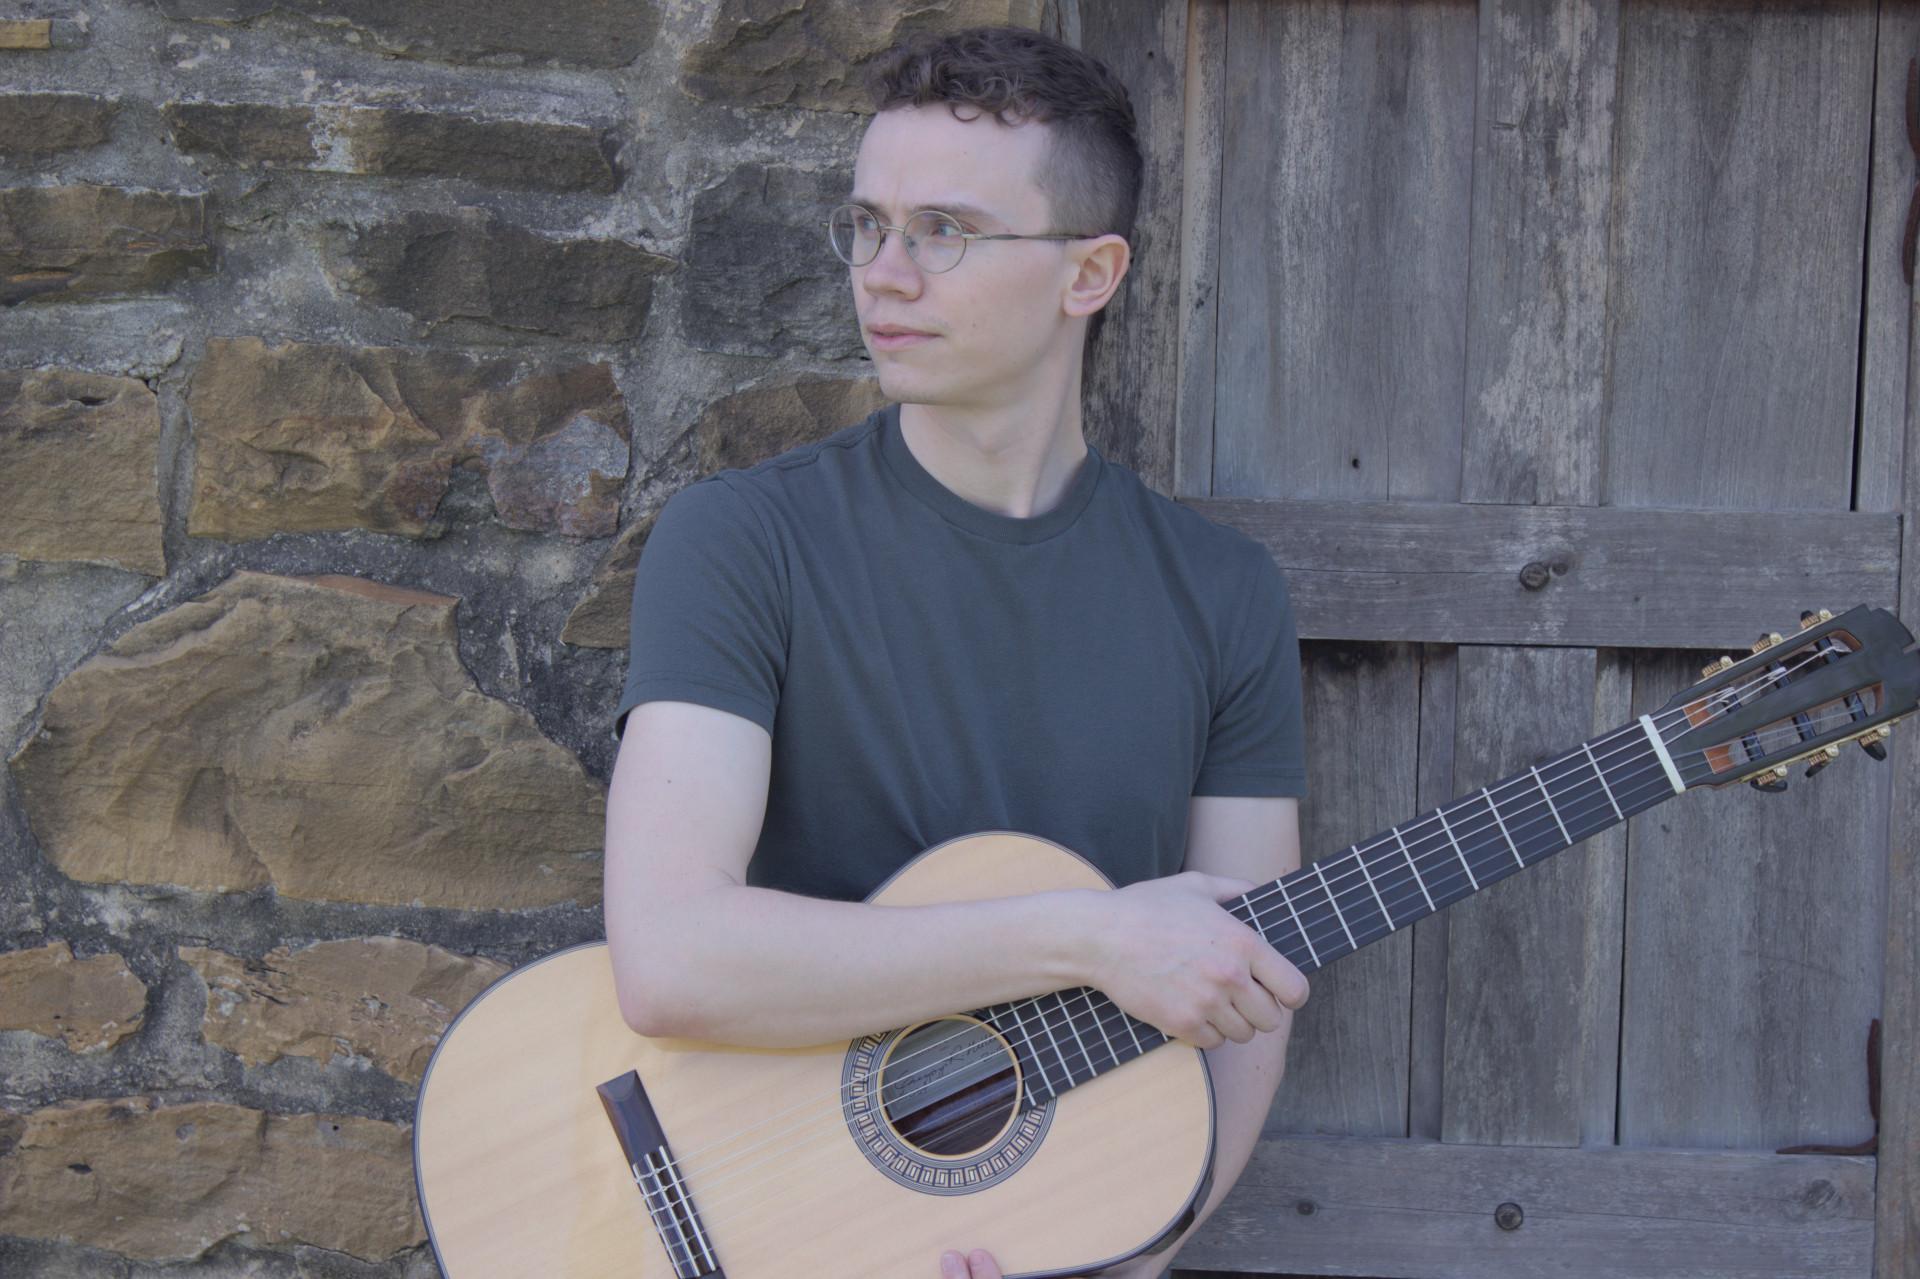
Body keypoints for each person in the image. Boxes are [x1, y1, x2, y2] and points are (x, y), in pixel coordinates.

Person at [602, 24, 1311, 1279]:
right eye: (867, 225)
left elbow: (1246, 987)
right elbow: (669, 958)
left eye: (944, 231)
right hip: (757, 1213)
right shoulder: (742, 541)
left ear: (1089, 273)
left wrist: (1135, 1252)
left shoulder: (1221, 592)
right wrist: (1086, 937)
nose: (884, 275)